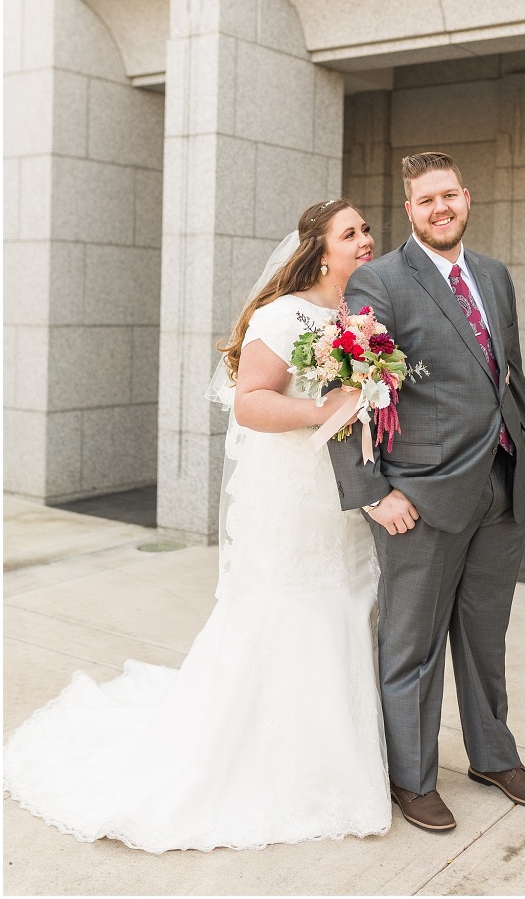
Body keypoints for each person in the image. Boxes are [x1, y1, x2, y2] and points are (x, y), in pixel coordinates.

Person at [4, 199, 391, 854]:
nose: (366, 239)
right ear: (320, 251)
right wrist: (321, 407)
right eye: (350, 232)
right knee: (293, 611)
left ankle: (333, 753)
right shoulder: (282, 315)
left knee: (345, 608)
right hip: (294, 497)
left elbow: (361, 401)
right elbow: (252, 402)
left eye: (364, 230)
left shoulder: (352, 317)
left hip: (340, 495)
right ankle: (278, 764)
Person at [327, 152, 525, 833]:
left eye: (449, 195)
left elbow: (507, 373)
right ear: (410, 210)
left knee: (486, 637)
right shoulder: (381, 280)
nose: (440, 208)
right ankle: (412, 778)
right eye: (425, 200)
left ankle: (492, 755)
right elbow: (346, 396)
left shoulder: (495, 275)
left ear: (467, 196)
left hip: (501, 489)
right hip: (420, 497)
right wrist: (372, 492)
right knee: (413, 645)